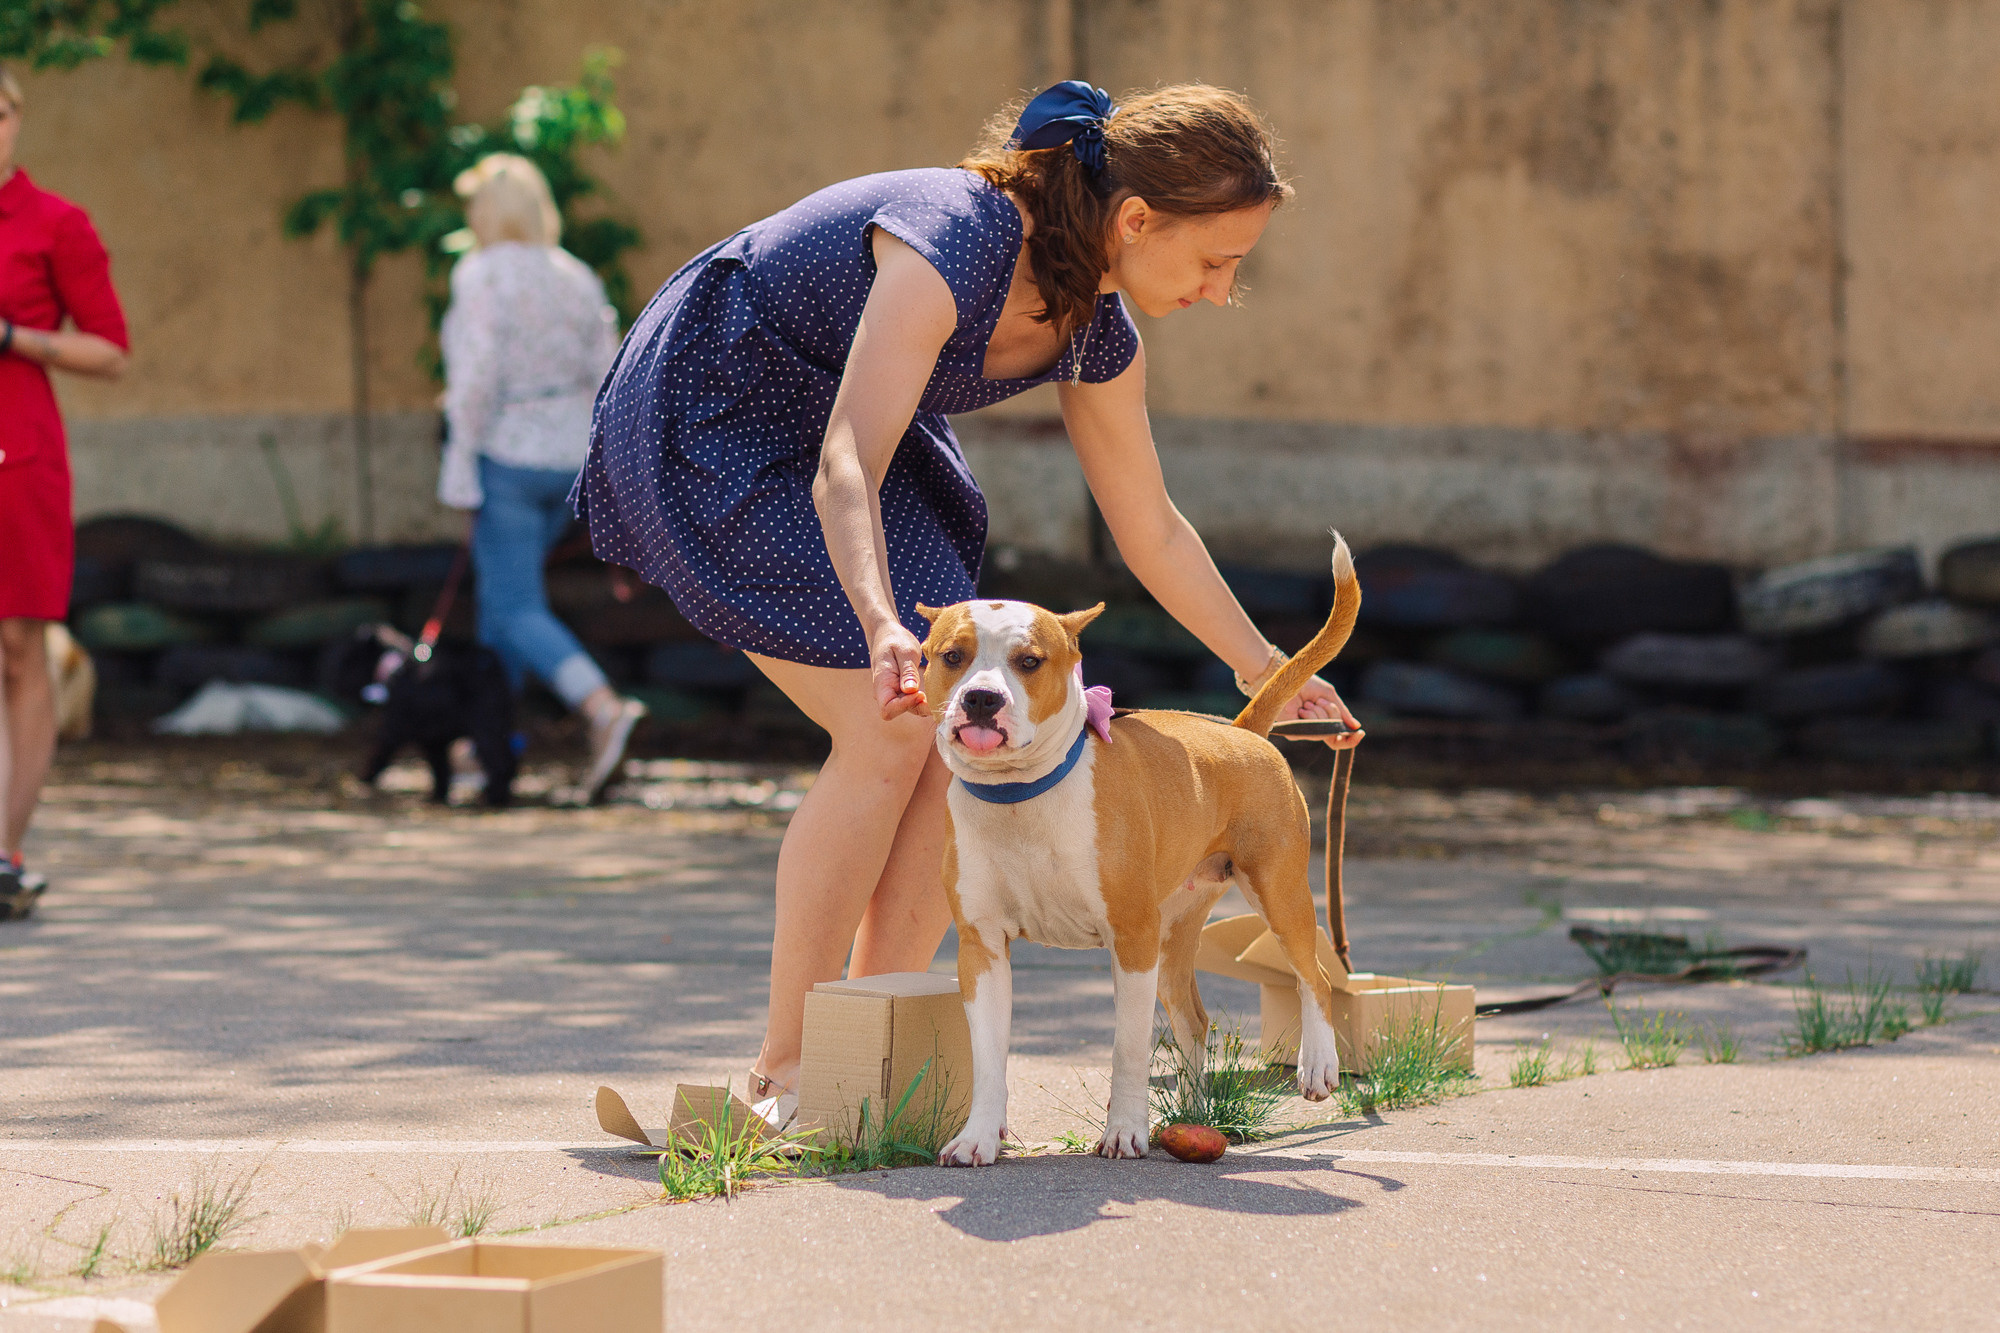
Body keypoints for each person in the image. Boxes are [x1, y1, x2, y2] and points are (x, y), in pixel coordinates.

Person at [574, 82, 1364, 1125]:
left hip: (862, 436)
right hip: (723, 411)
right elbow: (843, 453)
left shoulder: (1095, 326)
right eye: (1217, 260)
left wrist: (1267, 668)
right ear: (1135, 222)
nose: (1223, 290)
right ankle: (785, 1071)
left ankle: (867, 1047)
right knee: (886, 720)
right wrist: (877, 620)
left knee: (948, 737)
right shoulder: (957, 238)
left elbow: (1149, 526)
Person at [438, 153, 647, 801]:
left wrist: (458, 462)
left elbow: (474, 376)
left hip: (506, 453)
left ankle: (602, 707)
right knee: (505, 608)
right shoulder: (574, 275)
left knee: (514, 604)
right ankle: (487, 743)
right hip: (570, 459)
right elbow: (609, 369)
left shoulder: (481, 275)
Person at [0, 66, 129, 906]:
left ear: (14, 120)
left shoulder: (56, 222)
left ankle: (5, 856)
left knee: (18, 649)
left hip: (20, 458)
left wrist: (11, 334)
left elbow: (110, 350)